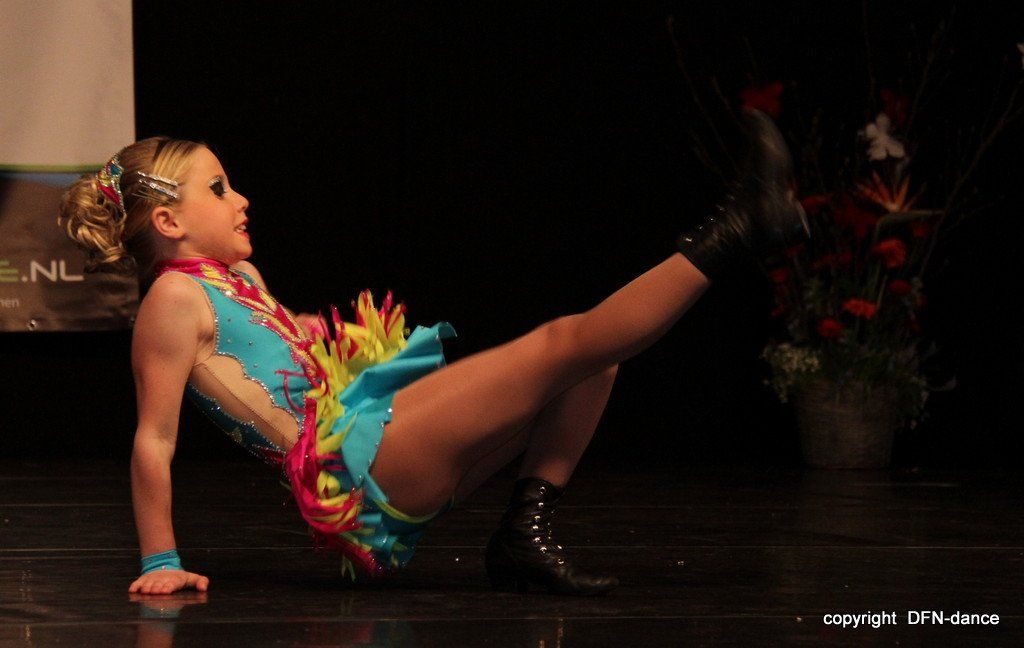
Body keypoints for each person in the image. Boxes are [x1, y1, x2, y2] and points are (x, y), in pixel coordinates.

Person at [58, 108, 807, 597]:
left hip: (378, 451)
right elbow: (153, 440)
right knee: (564, 341)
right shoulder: (170, 302)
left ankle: (522, 536)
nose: (241, 199)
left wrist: (318, 332)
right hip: (361, 469)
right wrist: (161, 560)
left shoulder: (236, 279)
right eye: (220, 189)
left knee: (588, 366)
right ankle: (739, 226)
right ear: (168, 221)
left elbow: (278, 356)